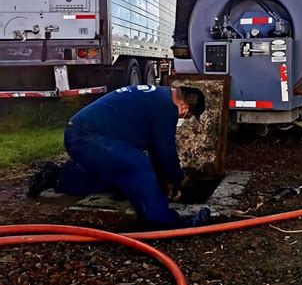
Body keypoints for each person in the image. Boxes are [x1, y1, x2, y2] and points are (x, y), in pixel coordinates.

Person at [27, 84, 210, 229]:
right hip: (88, 137)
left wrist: (167, 179)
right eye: (186, 117)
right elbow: (165, 151)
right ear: (185, 108)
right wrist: (176, 179)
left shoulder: (157, 96)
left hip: (78, 134)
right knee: (138, 165)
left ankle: (56, 177)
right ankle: (162, 222)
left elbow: (155, 147)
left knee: (117, 178)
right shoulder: (167, 107)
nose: (182, 118)